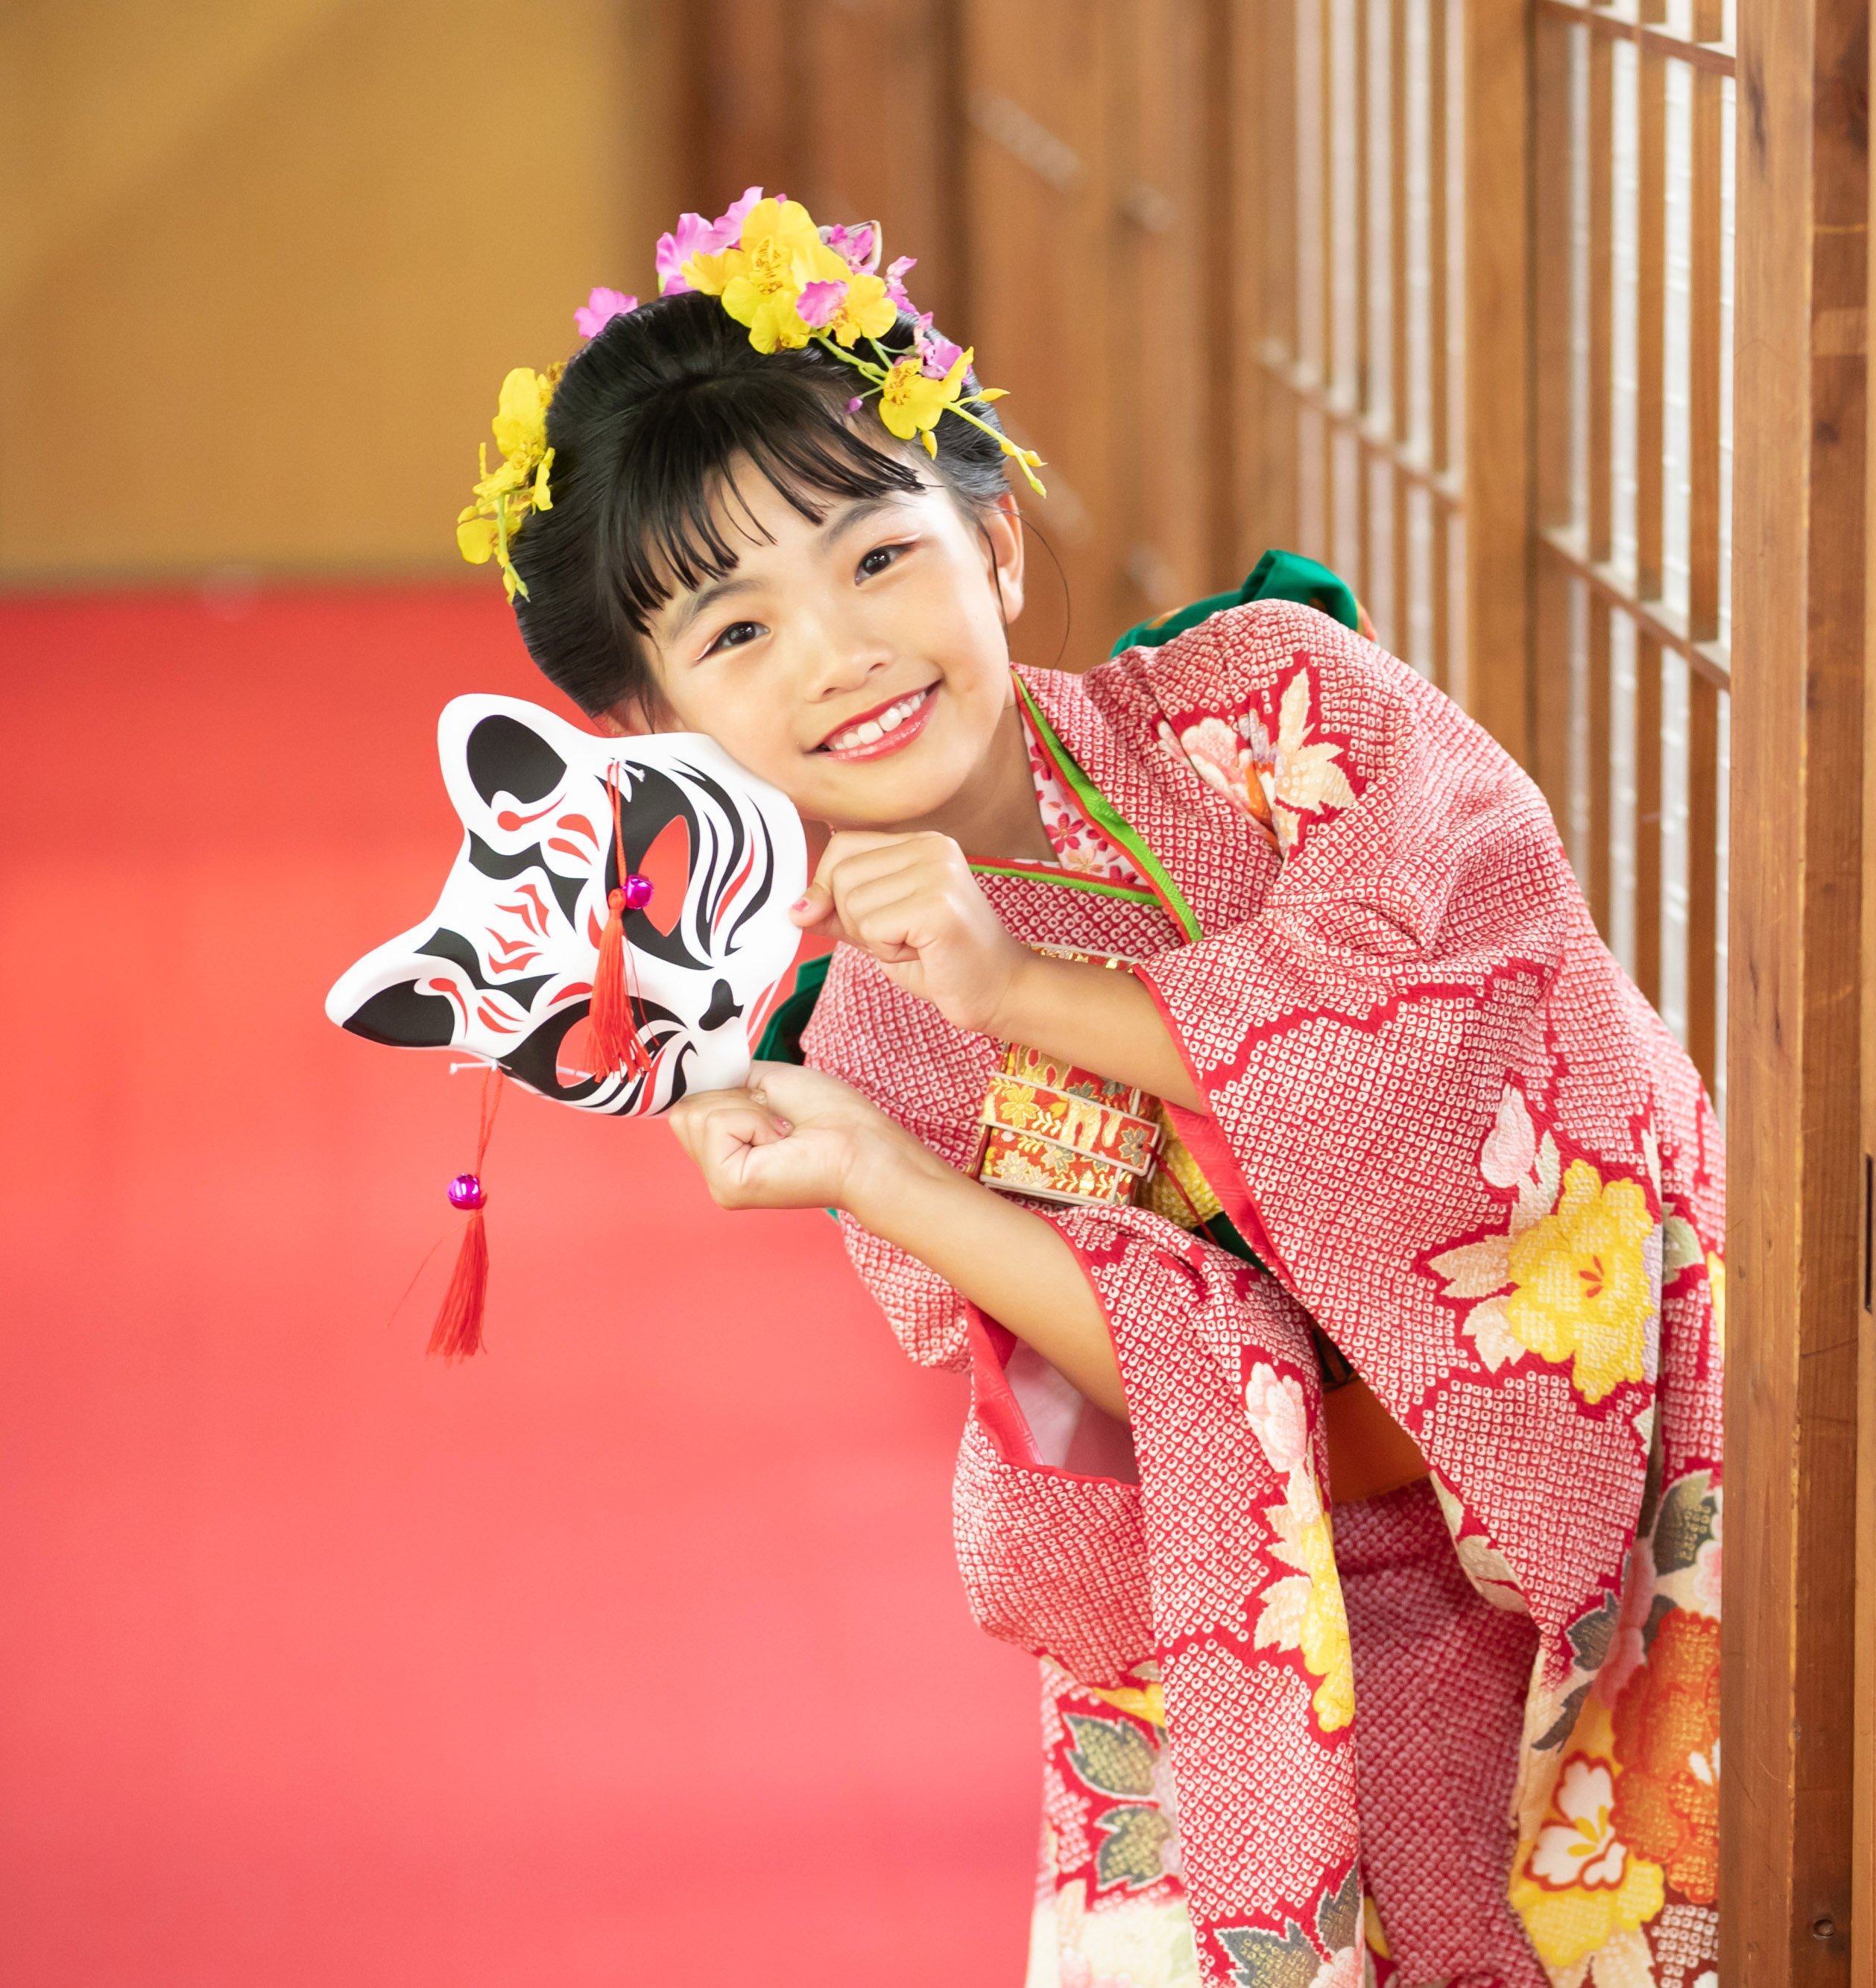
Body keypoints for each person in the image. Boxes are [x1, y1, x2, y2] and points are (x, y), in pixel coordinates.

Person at [474, 192, 1722, 1988]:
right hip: (1290, 1601)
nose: (837, 652)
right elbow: (1136, 1378)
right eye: (734, 634)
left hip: (1633, 1474)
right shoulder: (861, 1038)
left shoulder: (1278, 705)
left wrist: (1029, 984)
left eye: (874, 555)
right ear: (653, 731)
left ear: (990, 535)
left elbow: (1488, 1031)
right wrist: (880, 1177)